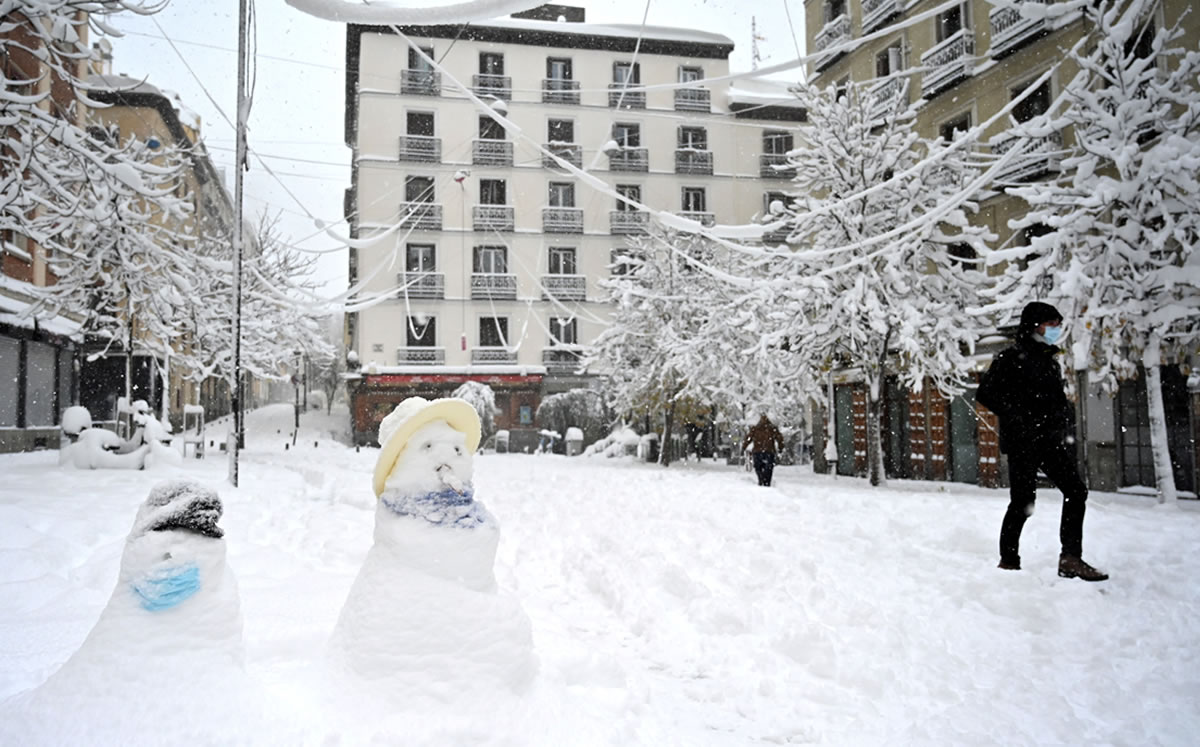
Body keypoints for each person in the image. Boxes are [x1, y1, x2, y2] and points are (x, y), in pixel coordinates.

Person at [976, 301, 1108, 582]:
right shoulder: (1010, 358)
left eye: (1058, 324)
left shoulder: (1049, 359)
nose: (1056, 329)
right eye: (1051, 324)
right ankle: (1008, 562)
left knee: (1076, 491)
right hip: (1022, 442)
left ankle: (1070, 558)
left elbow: (1053, 400)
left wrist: (1062, 417)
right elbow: (985, 394)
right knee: (1023, 502)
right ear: (1034, 326)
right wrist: (1017, 417)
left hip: (1048, 440)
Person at [743, 414, 785, 487]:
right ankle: (767, 482)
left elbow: (748, 439)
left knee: (758, 467)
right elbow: (779, 438)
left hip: (757, 451)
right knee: (769, 468)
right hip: (769, 451)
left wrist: (744, 447)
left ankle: (761, 479)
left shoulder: (755, 429)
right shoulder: (772, 428)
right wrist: (780, 448)